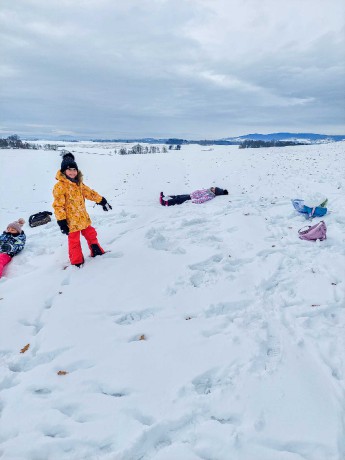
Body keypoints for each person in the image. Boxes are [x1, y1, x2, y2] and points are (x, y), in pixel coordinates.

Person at [52, 153, 112, 267]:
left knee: (91, 234)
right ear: (64, 171)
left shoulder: (79, 183)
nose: (72, 172)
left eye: (74, 169)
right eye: (69, 169)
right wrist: (61, 221)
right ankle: (77, 262)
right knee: (74, 242)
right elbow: (58, 205)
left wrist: (102, 201)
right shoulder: (60, 186)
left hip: (83, 218)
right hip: (71, 222)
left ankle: (96, 251)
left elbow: (89, 193)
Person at [160, 187, 228, 206]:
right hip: (191, 194)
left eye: (214, 189)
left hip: (192, 197)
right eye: (214, 188)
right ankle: (165, 197)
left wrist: (194, 201)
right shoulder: (208, 190)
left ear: (214, 192)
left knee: (179, 200)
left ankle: (166, 203)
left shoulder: (210, 195)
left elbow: (202, 199)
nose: (213, 188)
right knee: (178, 196)